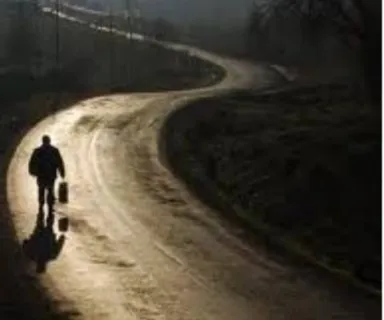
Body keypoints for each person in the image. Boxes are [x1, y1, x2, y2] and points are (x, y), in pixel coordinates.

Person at [28, 135, 65, 213]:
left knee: (41, 189)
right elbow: (59, 162)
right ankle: (50, 207)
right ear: (49, 141)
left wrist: (32, 172)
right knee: (50, 189)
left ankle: (41, 205)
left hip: (41, 175)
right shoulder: (54, 150)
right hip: (51, 175)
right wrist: (62, 172)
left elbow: (32, 162)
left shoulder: (37, 151)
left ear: (43, 141)